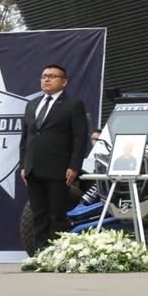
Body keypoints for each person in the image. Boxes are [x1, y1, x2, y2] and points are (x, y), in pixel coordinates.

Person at [19, 64, 89, 251]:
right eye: (44, 76)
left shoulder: (73, 105)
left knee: (57, 215)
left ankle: (58, 253)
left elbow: (79, 138)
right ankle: (40, 254)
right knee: (38, 214)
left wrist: (74, 166)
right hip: (33, 168)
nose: (47, 79)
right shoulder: (32, 104)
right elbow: (26, 138)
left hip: (59, 169)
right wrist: (24, 165)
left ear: (64, 82)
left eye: (52, 76)